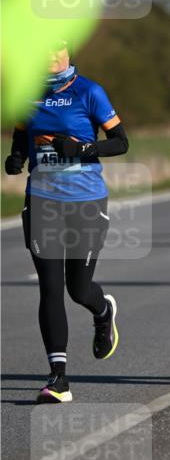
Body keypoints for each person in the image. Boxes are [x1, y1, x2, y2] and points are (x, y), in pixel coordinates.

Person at [4, 42, 129, 402]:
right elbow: (22, 135)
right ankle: (58, 378)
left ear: (67, 51)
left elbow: (121, 142)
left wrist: (83, 149)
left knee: (78, 289)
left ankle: (103, 310)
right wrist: (15, 159)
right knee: (50, 287)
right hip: (42, 201)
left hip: (86, 201)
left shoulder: (89, 91)